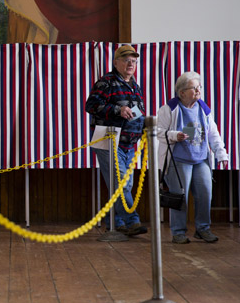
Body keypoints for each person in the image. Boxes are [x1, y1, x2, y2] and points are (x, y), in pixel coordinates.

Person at [158, 71, 229, 244]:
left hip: (200, 159)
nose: (198, 91)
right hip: (178, 159)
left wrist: (221, 153)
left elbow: (213, 133)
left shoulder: (203, 108)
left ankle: (203, 229)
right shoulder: (169, 108)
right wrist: (175, 135)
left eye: (199, 87)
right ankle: (178, 232)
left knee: (205, 194)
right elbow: (157, 132)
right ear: (182, 92)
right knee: (179, 197)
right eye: (194, 88)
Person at [86, 45, 147, 236]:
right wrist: (117, 110)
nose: (131, 64)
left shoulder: (134, 85)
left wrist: (144, 124)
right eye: (126, 60)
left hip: (129, 143)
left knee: (124, 184)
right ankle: (132, 221)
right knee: (121, 182)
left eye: (134, 61)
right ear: (116, 62)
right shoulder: (106, 82)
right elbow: (91, 105)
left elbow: (137, 111)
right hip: (107, 139)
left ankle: (116, 221)